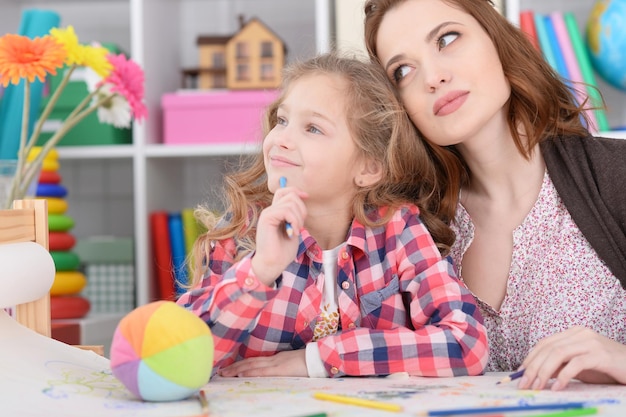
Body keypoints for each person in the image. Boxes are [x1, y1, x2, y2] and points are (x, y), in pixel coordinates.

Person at [363, 0, 626, 390]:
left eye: (447, 38)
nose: (432, 78)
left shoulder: (616, 176)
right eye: (403, 70)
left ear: (496, 38)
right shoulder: (407, 227)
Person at [176, 52, 488, 379]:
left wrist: (318, 359)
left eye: (312, 128)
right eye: (281, 121)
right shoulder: (243, 229)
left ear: (368, 168)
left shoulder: (397, 228)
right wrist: (260, 270)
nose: (280, 139)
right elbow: (183, 360)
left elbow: (467, 344)